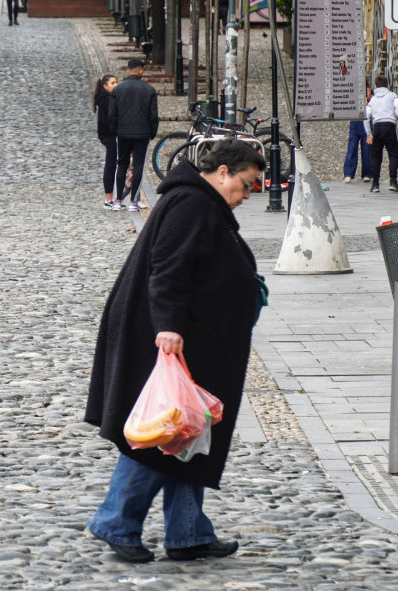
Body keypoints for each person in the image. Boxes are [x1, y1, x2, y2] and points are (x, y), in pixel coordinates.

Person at [85, 138, 266, 564]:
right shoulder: (191, 204)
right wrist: (167, 327)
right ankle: (116, 521)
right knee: (167, 431)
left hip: (196, 338)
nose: (247, 195)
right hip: (174, 340)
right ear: (223, 172)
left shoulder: (202, 202)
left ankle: (187, 532)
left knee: (190, 431)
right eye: (246, 185)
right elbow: (168, 268)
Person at [109, 58, 158, 212]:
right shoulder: (149, 90)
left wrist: (114, 131)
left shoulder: (118, 89)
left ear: (128, 71)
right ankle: (133, 202)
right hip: (142, 133)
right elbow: (153, 116)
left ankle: (117, 200)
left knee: (121, 164)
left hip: (123, 132)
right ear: (141, 71)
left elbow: (112, 114)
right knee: (138, 166)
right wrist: (152, 132)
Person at [364, 73, 398, 193]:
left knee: (376, 156)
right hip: (390, 126)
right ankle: (393, 181)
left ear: (375, 87)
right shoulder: (392, 96)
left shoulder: (373, 100)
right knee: (393, 154)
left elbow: (366, 117)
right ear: (388, 85)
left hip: (377, 127)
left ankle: (375, 184)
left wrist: (369, 133)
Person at [94, 74, 119, 208]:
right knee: (111, 165)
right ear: (105, 86)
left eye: (116, 82)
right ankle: (108, 198)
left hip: (108, 135)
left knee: (113, 164)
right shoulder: (107, 100)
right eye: (113, 83)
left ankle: (113, 197)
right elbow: (111, 119)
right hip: (110, 136)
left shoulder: (106, 98)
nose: (116, 85)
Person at [344, 84, 373, 183]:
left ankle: (367, 173)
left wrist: (369, 97)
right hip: (356, 119)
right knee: (352, 147)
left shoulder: (370, 94)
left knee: (367, 149)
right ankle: (349, 173)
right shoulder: (353, 91)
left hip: (366, 120)